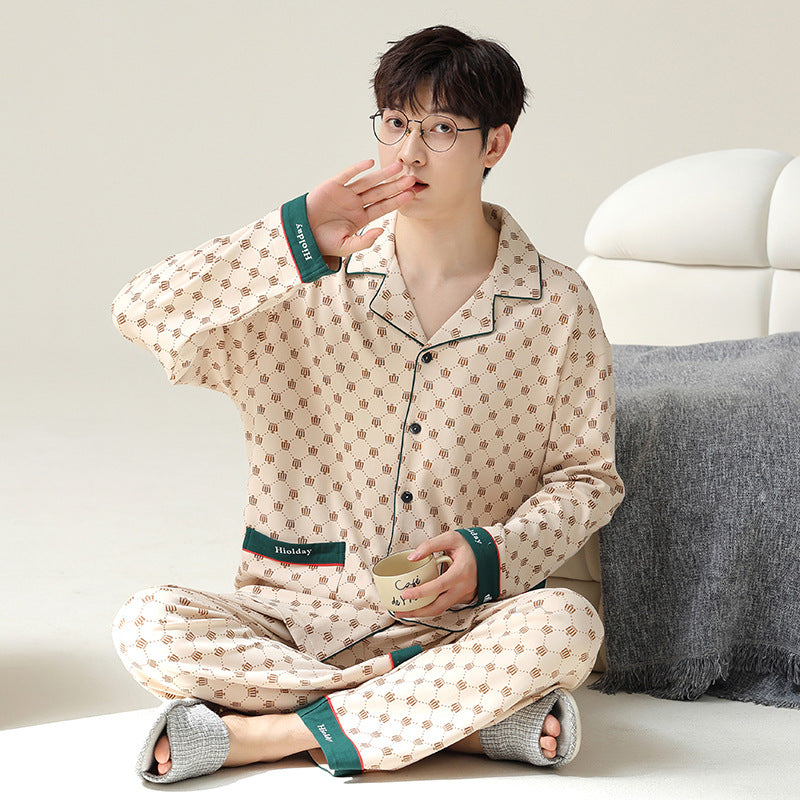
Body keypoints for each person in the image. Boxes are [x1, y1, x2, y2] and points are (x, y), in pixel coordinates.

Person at [111, 24, 624, 783]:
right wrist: (293, 235)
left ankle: (263, 735)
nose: (409, 153)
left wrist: (493, 556)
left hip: (458, 624)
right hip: (296, 615)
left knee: (565, 626)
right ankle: (457, 724)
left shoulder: (557, 306)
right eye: (395, 123)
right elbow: (141, 312)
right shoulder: (306, 281)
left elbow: (587, 479)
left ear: (495, 144)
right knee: (147, 625)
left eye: (441, 129)